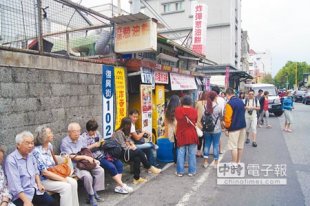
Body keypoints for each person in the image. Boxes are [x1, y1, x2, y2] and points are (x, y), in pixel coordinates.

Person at [5, 131, 57, 206]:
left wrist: (39, 183)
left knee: (52, 203)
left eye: (32, 143)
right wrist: (26, 201)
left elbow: (36, 171)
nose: (30, 146)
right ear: (18, 145)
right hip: (20, 195)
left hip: (33, 189)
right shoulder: (11, 160)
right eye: (27, 143)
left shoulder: (30, 155)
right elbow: (15, 185)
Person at [82, 119, 133, 194]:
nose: (94, 133)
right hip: (96, 157)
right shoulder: (83, 137)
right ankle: (122, 185)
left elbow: (102, 141)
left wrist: (102, 142)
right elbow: (83, 149)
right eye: (92, 131)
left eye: (95, 131)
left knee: (119, 164)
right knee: (111, 166)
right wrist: (94, 145)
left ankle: (118, 186)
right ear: (88, 130)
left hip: (105, 153)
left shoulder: (97, 133)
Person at [32, 126, 79, 206]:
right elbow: (45, 173)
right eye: (50, 132)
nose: (52, 134)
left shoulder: (49, 145)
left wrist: (63, 160)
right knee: (66, 187)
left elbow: (55, 161)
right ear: (43, 137)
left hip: (54, 174)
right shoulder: (36, 152)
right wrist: (62, 179)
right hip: (44, 180)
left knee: (73, 182)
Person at [60, 122, 105, 206]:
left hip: (86, 162)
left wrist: (91, 159)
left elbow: (86, 150)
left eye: (78, 131)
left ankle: (94, 191)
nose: (77, 133)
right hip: (75, 165)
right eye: (74, 131)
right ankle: (91, 196)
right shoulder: (65, 142)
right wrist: (85, 158)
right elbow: (70, 156)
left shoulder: (81, 138)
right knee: (87, 176)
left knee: (100, 170)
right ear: (69, 132)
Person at [112, 117, 161, 185]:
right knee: (137, 151)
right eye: (130, 125)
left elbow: (128, 141)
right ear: (126, 125)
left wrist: (131, 144)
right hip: (120, 152)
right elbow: (123, 146)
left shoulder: (125, 132)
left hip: (125, 151)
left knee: (137, 158)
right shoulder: (119, 132)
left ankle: (136, 178)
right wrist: (131, 147)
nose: (130, 127)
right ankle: (149, 166)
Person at [175, 95, 199, 176]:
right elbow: (195, 120)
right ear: (191, 102)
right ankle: (191, 171)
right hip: (192, 134)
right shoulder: (194, 111)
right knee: (192, 153)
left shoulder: (178, 110)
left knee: (181, 153)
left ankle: (180, 172)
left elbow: (177, 119)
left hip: (181, 134)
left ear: (182, 102)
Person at [223, 88, 246, 164]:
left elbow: (227, 118)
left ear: (227, 94)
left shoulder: (229, 104)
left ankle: (234, 162)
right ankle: (238, 161)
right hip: (242, 126)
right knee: (240, 145)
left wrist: (226, 128)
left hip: (234, 128)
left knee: (233, 146)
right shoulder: (241, 101)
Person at [202, 91, 223, 168]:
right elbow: (221, 118)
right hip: (216, 129)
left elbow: (203, 117)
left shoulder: (204, 106)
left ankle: (205, 162)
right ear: (215, 97)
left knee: (207, 145)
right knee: (216, 145)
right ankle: (216, 163)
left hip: (206, 129)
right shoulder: (218, 107)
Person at [164, 95, 181, 163]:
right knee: (179, 146)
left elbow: (166, 122)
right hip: (178, 130)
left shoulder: (167, 110)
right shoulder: (179, 109)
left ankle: (175, 160)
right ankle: (179, 160)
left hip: (171, 131)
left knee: (174, 146)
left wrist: (166, 132)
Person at [212, 86, 226, 154]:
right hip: (219, 119)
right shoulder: (222, 100)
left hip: (210, 119)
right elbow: (224, 110)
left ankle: (206, 152)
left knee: (209, 136)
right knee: (218, 135)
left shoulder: (210, 99)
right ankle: (219, 150)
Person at [195, 91, 208, 157]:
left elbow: (195, 112)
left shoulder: (198, 103)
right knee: (206, 139)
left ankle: (198, 152)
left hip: (198, 124)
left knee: (199, 138)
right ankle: (204, 152)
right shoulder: (209, 103)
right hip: (207, 124)